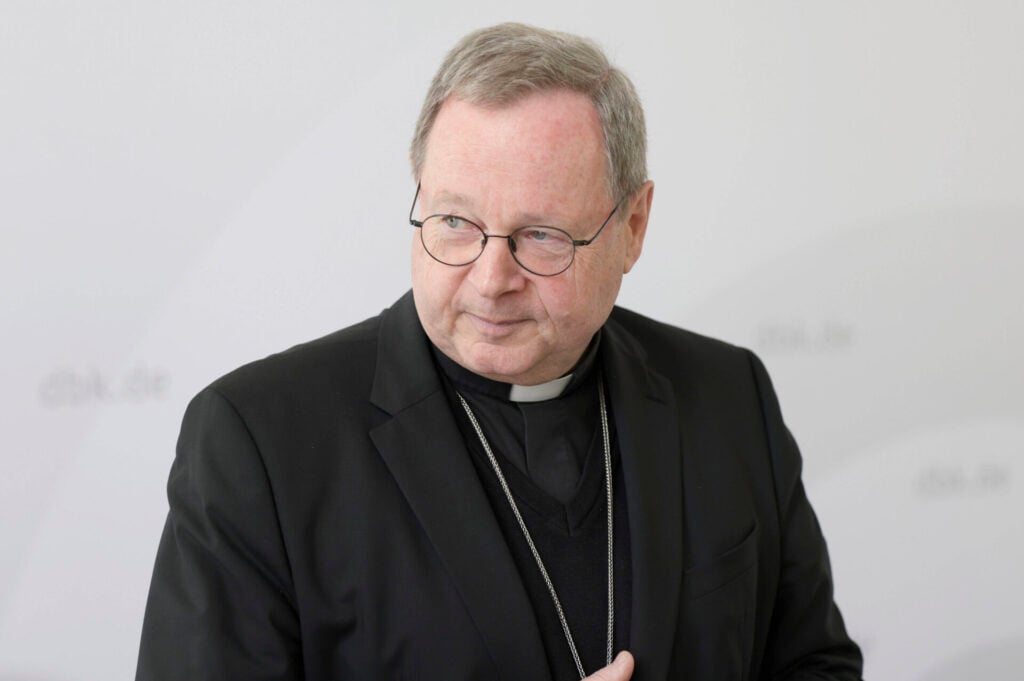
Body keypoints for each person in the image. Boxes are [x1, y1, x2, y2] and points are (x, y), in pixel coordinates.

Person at [136, 22, 862, 681]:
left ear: (633, 226)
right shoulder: (259, 443)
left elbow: (816, 664)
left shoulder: (728, 394)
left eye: (542, 235)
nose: (490, 279)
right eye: (455, 222)